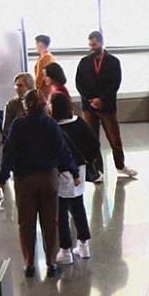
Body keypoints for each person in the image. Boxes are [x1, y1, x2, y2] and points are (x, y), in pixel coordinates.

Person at [0, 90, 80, 278]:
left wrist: (1, 178)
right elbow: (62, 151)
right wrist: (74, 171)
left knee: (26, 222)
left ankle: (29, 264)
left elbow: (9, 153)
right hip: (48, 178)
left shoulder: (18, 125)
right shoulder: (50, 124)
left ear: (26, 105)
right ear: (44, 105)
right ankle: (51, 263)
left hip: (24, 180)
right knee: (50, 222)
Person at [75, 30, 137, 178]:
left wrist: (101, 99)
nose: (92, 48)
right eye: (90, 45)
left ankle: (120, 165)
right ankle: (98, 170)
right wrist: (91, 99)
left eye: (94, 44)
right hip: (88, 107)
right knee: (92, 139)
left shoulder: (113, 61)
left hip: (107, 106)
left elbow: (115, 83)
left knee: (114, 137)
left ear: (101, 43)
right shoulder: (84, 62)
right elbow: (79, 83)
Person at [50, 93, 93, 265]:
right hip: (80, 170)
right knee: (78, 206)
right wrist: (85, 160)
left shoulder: (53, 127)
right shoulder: (79, 123)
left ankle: (65, 249)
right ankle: (83, 245)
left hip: (61, 172)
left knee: (61, 211)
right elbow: (93, 145)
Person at [3, 73, 35, 141]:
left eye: (20, 86)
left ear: (29, 86)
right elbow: (6, 128)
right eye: (16, 86)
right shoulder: (11, 104)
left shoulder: (39, 103)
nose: (17, 89)